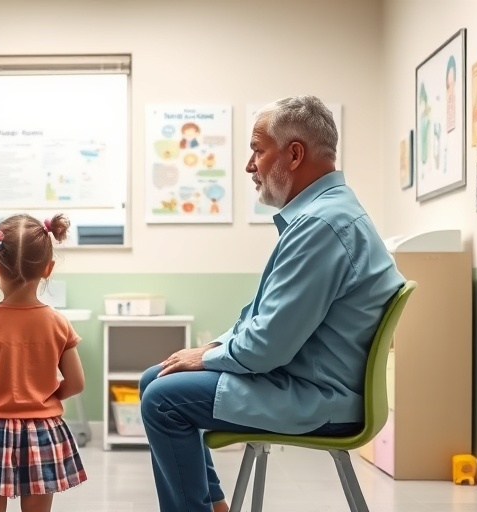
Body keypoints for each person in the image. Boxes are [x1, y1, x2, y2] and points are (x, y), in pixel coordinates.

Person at [138, 95, 405, 512]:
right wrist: (208, 351)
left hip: (317, 396)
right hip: (308, 379)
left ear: (294, 154)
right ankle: (215, 507)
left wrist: (206, 359)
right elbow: (263, 321)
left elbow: (266, 348)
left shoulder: (320, 225)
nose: (249, 165)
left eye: (257, 150)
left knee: (162, 398)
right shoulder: (326, 214)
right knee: (155, 377)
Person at [0, 214, 87, 512]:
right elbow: (76, 383)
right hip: (42, 432)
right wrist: (47, 396)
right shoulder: (58, 323)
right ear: (48, 269)